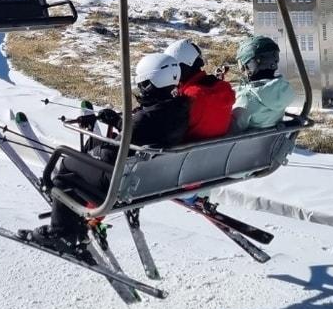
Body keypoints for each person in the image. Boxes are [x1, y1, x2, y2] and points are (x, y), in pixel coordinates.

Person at [28, 52, 188, 252]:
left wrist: (96, 148)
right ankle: (76, 228)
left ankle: (61, 233)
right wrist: (117, 121)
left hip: (118, 184)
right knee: (85, 158)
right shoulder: (180, 109)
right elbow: (143, 132)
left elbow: (115, 150)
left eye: (142, 85)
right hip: (149, 180)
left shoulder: (144, 120)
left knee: (66, 170)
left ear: (149, 85)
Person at [163, 38, 234, 142]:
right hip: (221, 152)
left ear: (182, 67)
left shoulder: (189, 97)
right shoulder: (223, 88)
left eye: (173, 67)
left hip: (187, 154)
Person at [229, 35, 294, 131]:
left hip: (247, 145)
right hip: (269, 142)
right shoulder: (282, 89)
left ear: (249, 66)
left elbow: (233, 129)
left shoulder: (247, 99)